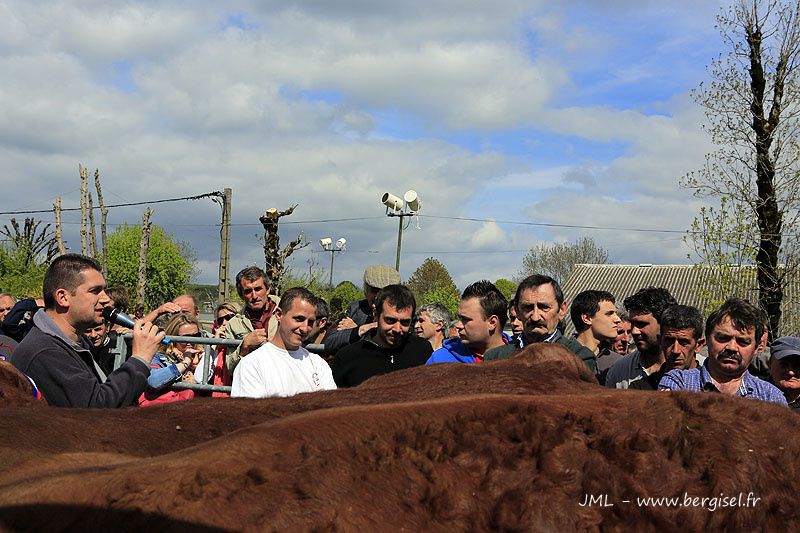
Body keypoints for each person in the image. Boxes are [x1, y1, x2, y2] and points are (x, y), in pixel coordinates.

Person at [12, 254, 164, 408]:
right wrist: (140, 359)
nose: (105, 299)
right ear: (63, 298)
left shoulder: (76, 340)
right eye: (95, 291)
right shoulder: (43, 351)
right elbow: (95, 410)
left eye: (103, 290)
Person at [658, 298, 786, 405]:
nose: (731, 347)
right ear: (707, 339)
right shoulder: (677, 382)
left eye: (743, 342)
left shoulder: (771, 398)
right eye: (723, 338)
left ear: (756, 348)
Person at [231, 288, 336, 398]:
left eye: (310, 322)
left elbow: (331, 408)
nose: (305, 328)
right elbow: (250, 413)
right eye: (299, 319)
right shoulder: (252, 365)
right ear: (279, 314)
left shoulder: (319, 364)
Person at [484, 275, 596, 373]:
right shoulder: (495, 358)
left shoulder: (580, 357)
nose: (535, 317)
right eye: (528, 308)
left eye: (544, 307)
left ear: (561, 310)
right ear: (517, 312)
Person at [333, 284, 432, 387]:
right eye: (390, 320)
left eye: (405, 322)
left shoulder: (423, 350)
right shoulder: (347, 358)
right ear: (375, 314)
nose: (397, 329)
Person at [604, 287, 677, 389]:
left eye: (641, 324)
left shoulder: (698, 368)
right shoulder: (619, 371)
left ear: (664, 324)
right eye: (632, 324)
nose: (634, 331)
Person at [324, 265, 401, 354]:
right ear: (365, 291)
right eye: (374, 291)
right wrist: (360, 330)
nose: (378, 297)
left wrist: (357, 331)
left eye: (384, 292)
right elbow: (330, 343)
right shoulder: (355, 309)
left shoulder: (403, 313)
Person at [427, 281, 508, 364]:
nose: (458, 325)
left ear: (492, 322)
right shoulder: (439, 361)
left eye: (465, 319)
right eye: (460, 318)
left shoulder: (518, 358)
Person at [629, 305, 705, 391]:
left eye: (683, 342)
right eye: (669, 341)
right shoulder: (641, 390)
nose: (675, 350)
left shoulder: (712, 387)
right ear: (660, 341)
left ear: (698, 345)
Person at [224, 266, 281, 375]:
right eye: (248, 291)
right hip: (252, 383)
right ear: (241, 295)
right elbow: (230, 368)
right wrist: (244, 347)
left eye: (258, 289)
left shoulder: (287, 311)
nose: (254, 296)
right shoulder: (233, 324)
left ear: (268, 289)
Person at [139, 313, 204, 405]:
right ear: (173, 336)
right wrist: (185, 363)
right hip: (162, 411)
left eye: (196, 335)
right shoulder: (160, 357)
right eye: (186, 337)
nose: (192, 340)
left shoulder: (203, 356)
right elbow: (153, 381)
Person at [570, 290, 622, 382]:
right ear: (587, 318)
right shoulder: (564, 357)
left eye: (616, 314)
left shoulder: (618, 363)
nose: (618, 320)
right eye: (609, 314)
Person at [769, 336, 800, 409]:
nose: (791, 372)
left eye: (798, 365)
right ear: (770, 365)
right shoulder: (755, 394)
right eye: (784, 365)